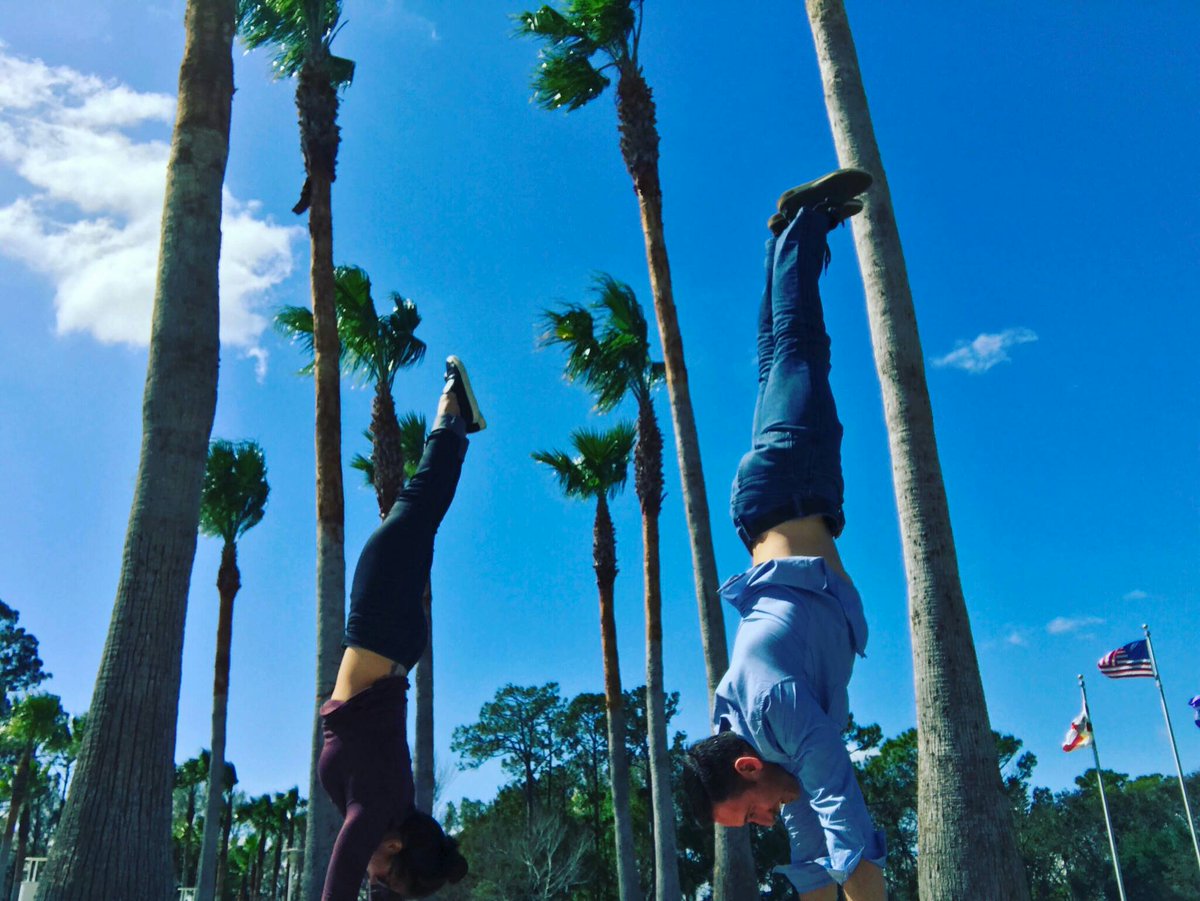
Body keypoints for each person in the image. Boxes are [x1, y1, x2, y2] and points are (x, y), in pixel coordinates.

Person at [681, 169, 888, 901]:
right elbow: (810, 838)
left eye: (750, 813)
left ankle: (805, 223)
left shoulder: (770, 707)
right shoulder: (754, 735)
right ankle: (783, 240)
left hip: (790, 486)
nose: (764, 821)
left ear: (747, 768)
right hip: (777, 501)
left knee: (801, 351)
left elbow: (839, 808)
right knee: (780, 357)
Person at [317, 356, 484, 900]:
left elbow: (374, 876)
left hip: (391, 641)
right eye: (385, 876)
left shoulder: (392, 807)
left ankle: (455, 419)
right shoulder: (375, 814)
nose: (375, 879)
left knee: (422, 514)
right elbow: (339, 886)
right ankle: (453, 412)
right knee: (419, 506)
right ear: (393, 847)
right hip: (381, 628)